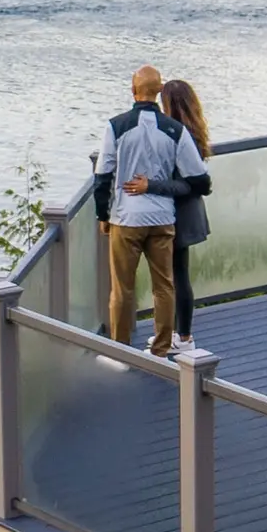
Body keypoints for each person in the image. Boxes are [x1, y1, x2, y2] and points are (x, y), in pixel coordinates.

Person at [92, 66, 208, 355]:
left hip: (126, 218)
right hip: (162, 219)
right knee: (164, 286)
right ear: (158, 92)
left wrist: (103, 215)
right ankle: (160, 348)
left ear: (133, 91)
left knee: (122, 289)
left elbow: (103, 175)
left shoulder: (116, 126)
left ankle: (120, 352)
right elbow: (199, 178)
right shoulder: (175, 130)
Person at [157, 77, 214, 347]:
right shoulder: (195, 133)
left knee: (176, 274)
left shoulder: (177, 135)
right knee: (178, 272)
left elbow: (189, 182)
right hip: (190, 211)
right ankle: (179, 333)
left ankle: (182, 336)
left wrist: (152, 185)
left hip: (178, 211)